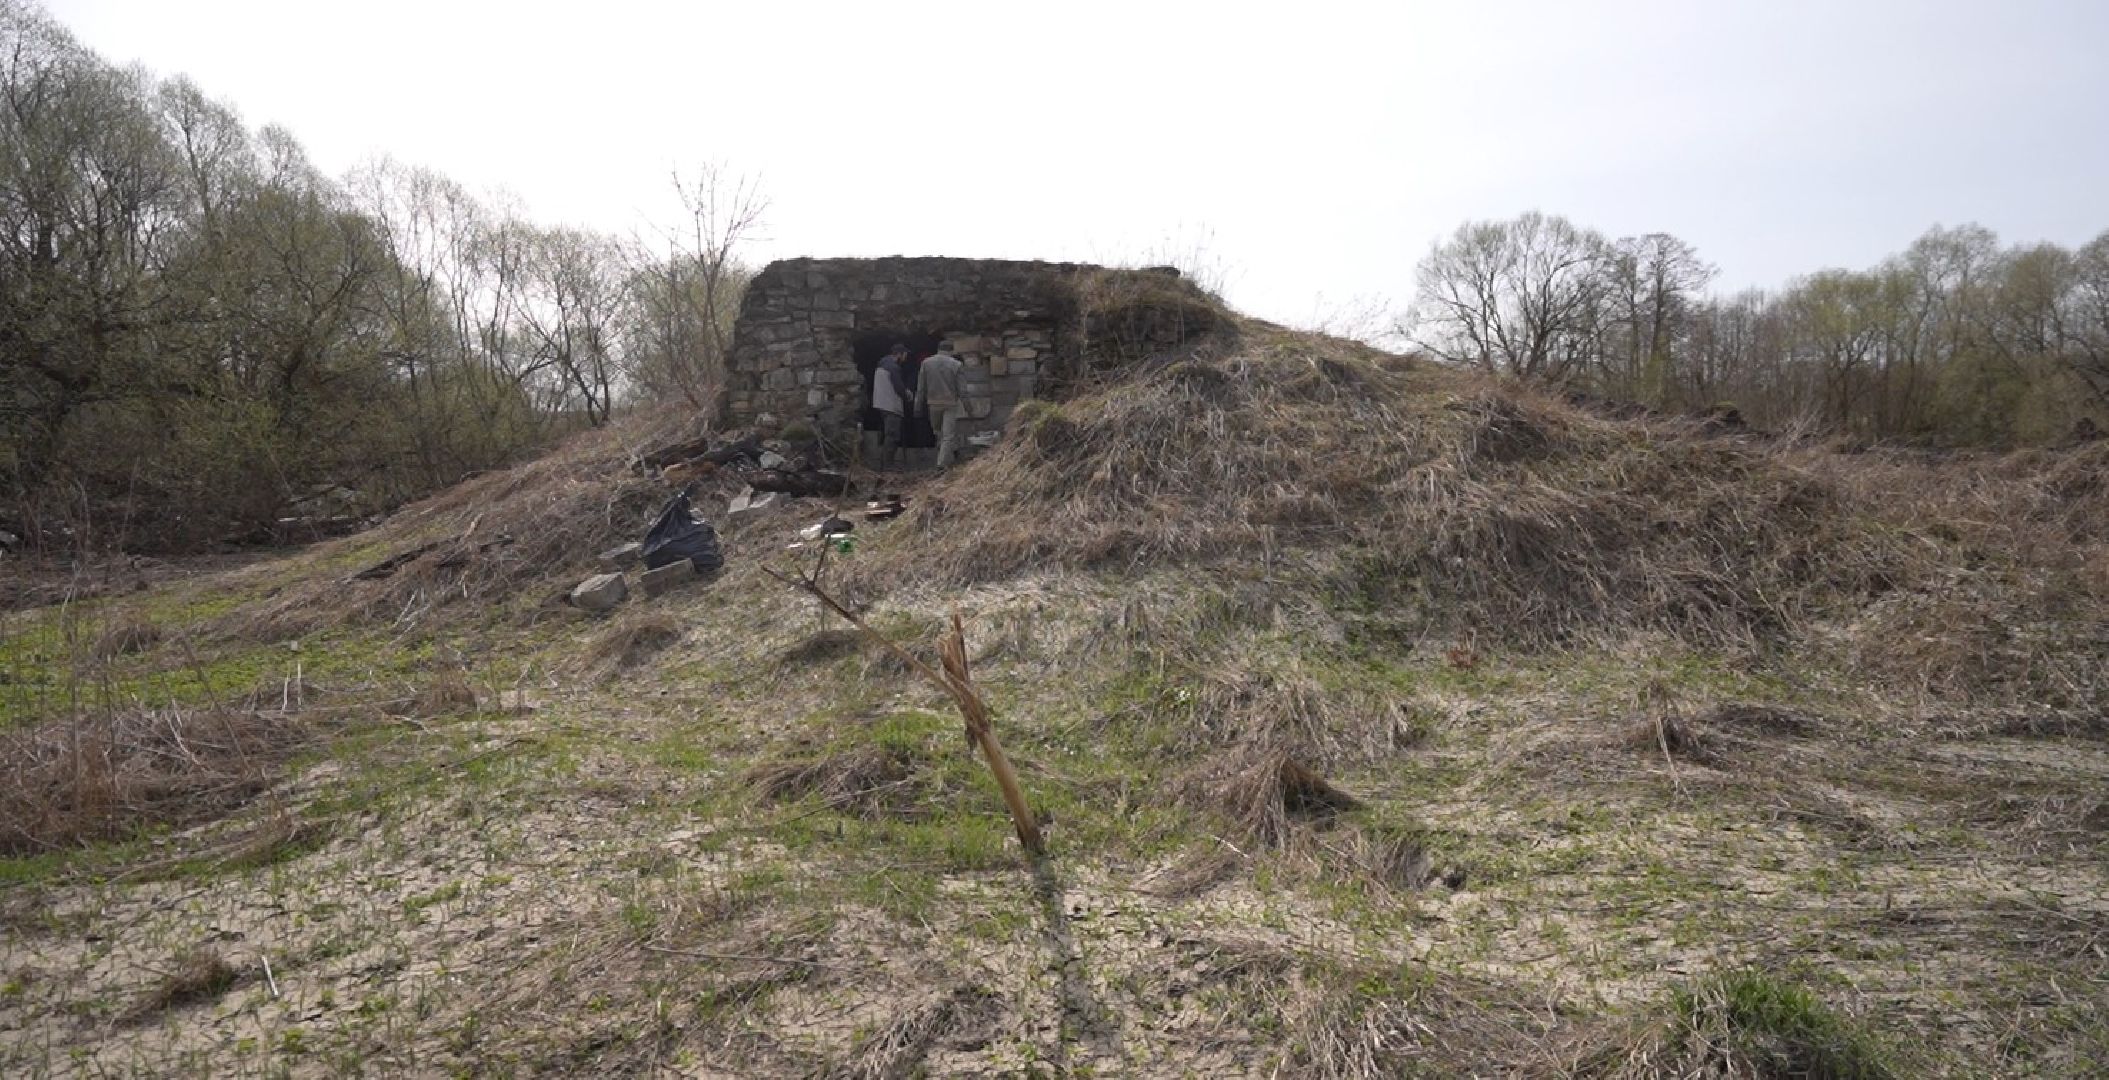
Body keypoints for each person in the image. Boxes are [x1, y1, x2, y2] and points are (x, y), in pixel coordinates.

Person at [915, 339, 966, 467]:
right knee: (948, 435)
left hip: (933, 404)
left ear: (938, 349)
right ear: (951, 351)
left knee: (938, 432)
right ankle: (942, 464)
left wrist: (917, 407)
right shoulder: (956, 365)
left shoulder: (926, 363)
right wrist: (969, 408)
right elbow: (963, 391)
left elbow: (921, 388)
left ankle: (950, 454)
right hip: (950, 404)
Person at [871, 343, 910, 468]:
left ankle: (885, 463)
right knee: (892, 435)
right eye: (905, 354)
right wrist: (907, 395)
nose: (906, 357)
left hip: (881, 403)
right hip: (891, 405)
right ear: (899, 354)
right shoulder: (893, 367)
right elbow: (899, 388)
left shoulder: (882, 364)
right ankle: (888, 465)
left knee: (888, 434)